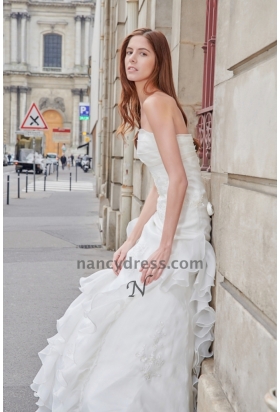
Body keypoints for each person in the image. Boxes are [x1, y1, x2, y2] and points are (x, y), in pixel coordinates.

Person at [31, 28, 216, 412]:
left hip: (182, 222)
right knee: (132, 297)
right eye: (128, 52)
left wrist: (164, 247)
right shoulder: (149, 103)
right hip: (170, 213)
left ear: (159, 61)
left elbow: (179, 180)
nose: (132, 59)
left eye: (143, 53)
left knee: (152, 305)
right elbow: (160, 183)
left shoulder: (156, 104)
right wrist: (132, 240)